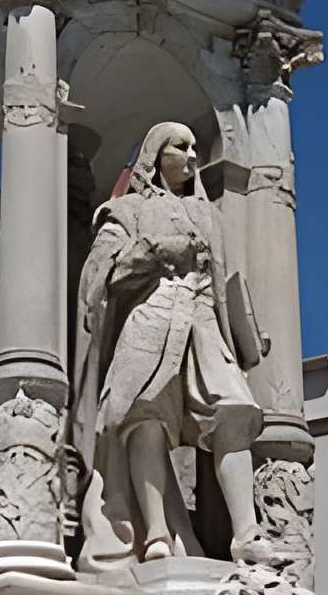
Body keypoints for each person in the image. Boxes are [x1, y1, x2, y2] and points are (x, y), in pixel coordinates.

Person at [72, 119, 263, 566]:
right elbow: (99, 278)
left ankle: (246, 533)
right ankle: (156, 533)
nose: (193, 156)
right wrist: (157, 251)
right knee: (146, 418)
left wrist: (243, 328)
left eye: (196, 147)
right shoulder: (126, 211)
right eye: (181, 147)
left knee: (235, 409)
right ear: (156, 156)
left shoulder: (208, 215)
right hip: (151, 319)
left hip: (203, 322)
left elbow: (223, 283)